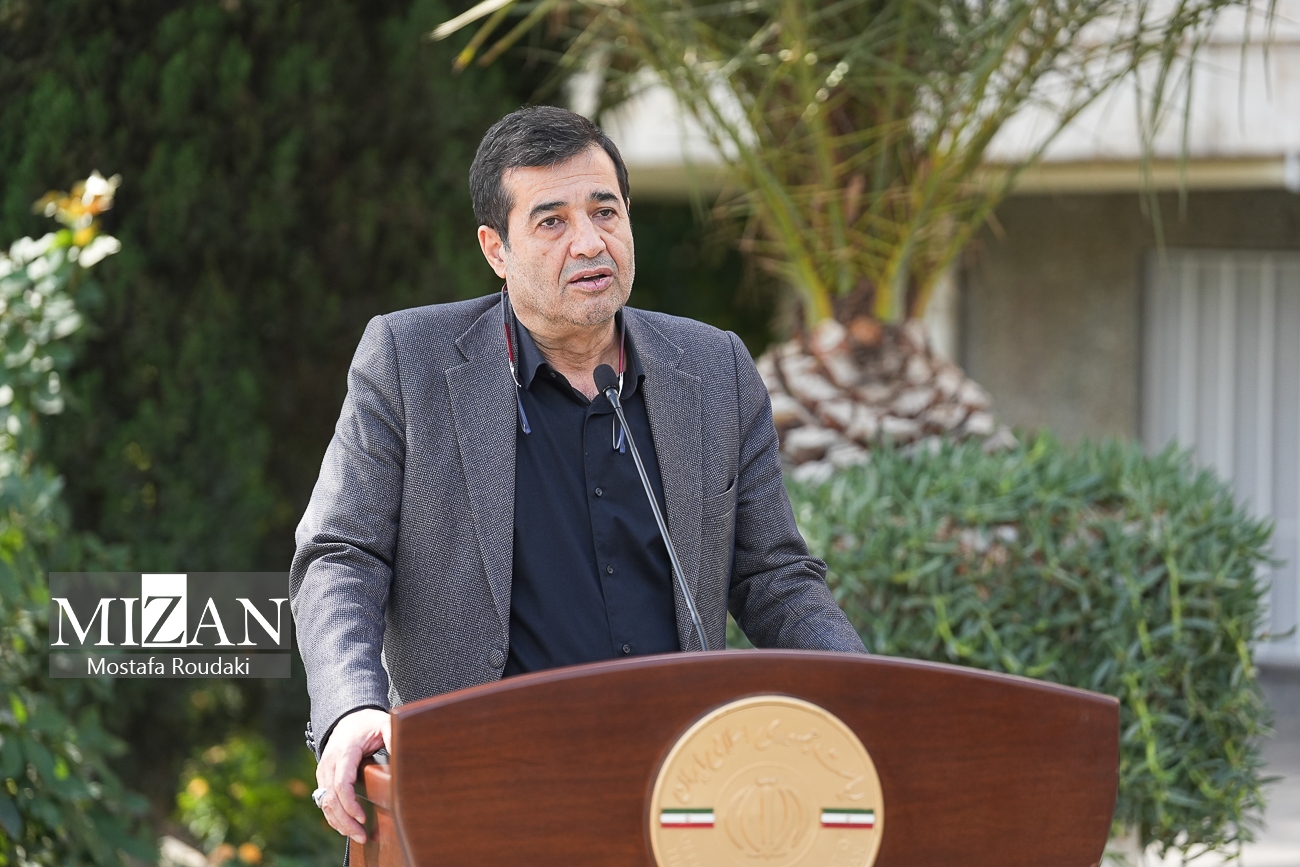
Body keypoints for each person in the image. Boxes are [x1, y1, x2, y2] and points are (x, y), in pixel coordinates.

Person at [290, 105, 867, 845]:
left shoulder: (714, 368)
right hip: (477, 794)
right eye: (552, 221)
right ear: (496, 249)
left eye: (604, 211)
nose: (590, 242)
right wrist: (351, 707)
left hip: (677, 797)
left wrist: (869, 702)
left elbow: (774, 577)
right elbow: (340, 554)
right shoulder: (409, 361)